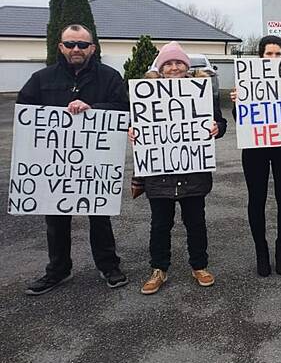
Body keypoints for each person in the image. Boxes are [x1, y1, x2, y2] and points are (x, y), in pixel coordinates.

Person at [17, 24, 129, 295]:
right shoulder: (41, 79)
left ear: (92, 48)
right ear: (61, 47)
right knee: (55, 219)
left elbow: (125, 109)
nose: (76, 49)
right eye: (70, 44)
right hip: (55, 165)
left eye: (82, 44)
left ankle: (108, 265)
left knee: (99, 217)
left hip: (96, 165)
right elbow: (25, 114)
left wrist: (93, 109)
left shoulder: (110, 78)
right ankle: (58, 269)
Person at [130, 41, 226, 295]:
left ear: (186, 66)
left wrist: (217, 127)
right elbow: (136, 124)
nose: (174, 68)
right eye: (168, 63)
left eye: (179, 63)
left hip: (193, 171)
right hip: (159, 174)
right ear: (161, 68)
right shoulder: (146, 95)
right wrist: (133, 131)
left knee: (196, 222)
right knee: (160, 224)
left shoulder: (202, 93)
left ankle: (199, 266)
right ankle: (158, 269)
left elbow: (220, 122)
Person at [231, 36, 281, 277]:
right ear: (260, 56)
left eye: (278, 54)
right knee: (256, 199)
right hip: (255, 147)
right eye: (268, 54)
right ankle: (261, 250)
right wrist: (239, 103)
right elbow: (241, 121)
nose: (273, 58)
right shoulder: (247, 81)